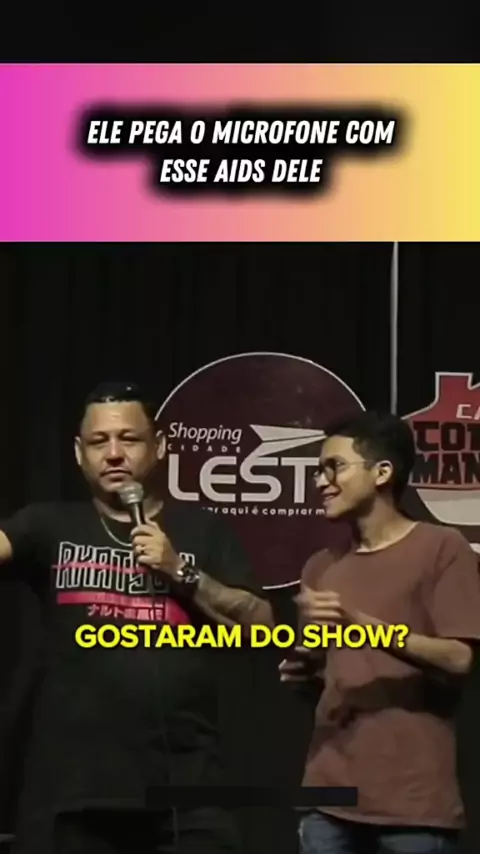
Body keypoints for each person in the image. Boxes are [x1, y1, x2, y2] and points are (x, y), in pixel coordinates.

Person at [1, 381, 274, 854]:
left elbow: (261, 626)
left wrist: (180, 570)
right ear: (79, 453)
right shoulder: (47, 525)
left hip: (186, 790)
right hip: (76, 791)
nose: (113, 454)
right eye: (98, 442)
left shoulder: (201, 529)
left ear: (159, 446)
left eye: (129, 439)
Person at [279, 411, 480, 854]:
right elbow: (325, 676)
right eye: (318, 470)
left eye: (334, 467)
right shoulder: (320, 566)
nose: (321, 481)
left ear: (382, 472)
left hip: (411, 803)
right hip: (327, 796)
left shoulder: (442, 548)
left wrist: (360, 626)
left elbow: (459, 658)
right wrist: (303, 668)